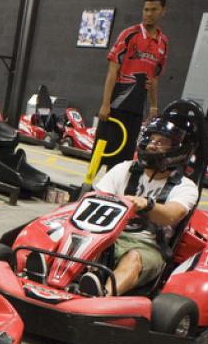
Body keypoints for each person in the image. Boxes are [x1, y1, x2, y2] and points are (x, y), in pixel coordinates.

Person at [80, 112, 199, 296]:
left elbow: (172, 214)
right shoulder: (124, 169)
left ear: (178, 150)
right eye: (151, 140)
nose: (152, 145)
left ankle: (103, 295)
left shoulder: (186, 187)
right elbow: (96, 199)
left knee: (133, 258)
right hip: (109, 234)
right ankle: (69, 275)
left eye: (160, 142)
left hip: (147, 245)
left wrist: (147, 204)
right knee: (86, 240)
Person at [97, 0, 169, 169]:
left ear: (163, 11)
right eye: (146, 9)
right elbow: (112, 70)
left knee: (123, 157)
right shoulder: (129, 34)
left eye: (154, 10)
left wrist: (153, 106)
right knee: (101, 150)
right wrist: (105, 104)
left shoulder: (163, 43)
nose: (149, 14)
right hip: (116, 105)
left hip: (136, 109)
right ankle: (88, 184)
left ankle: (112, 192)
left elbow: (154, 78)